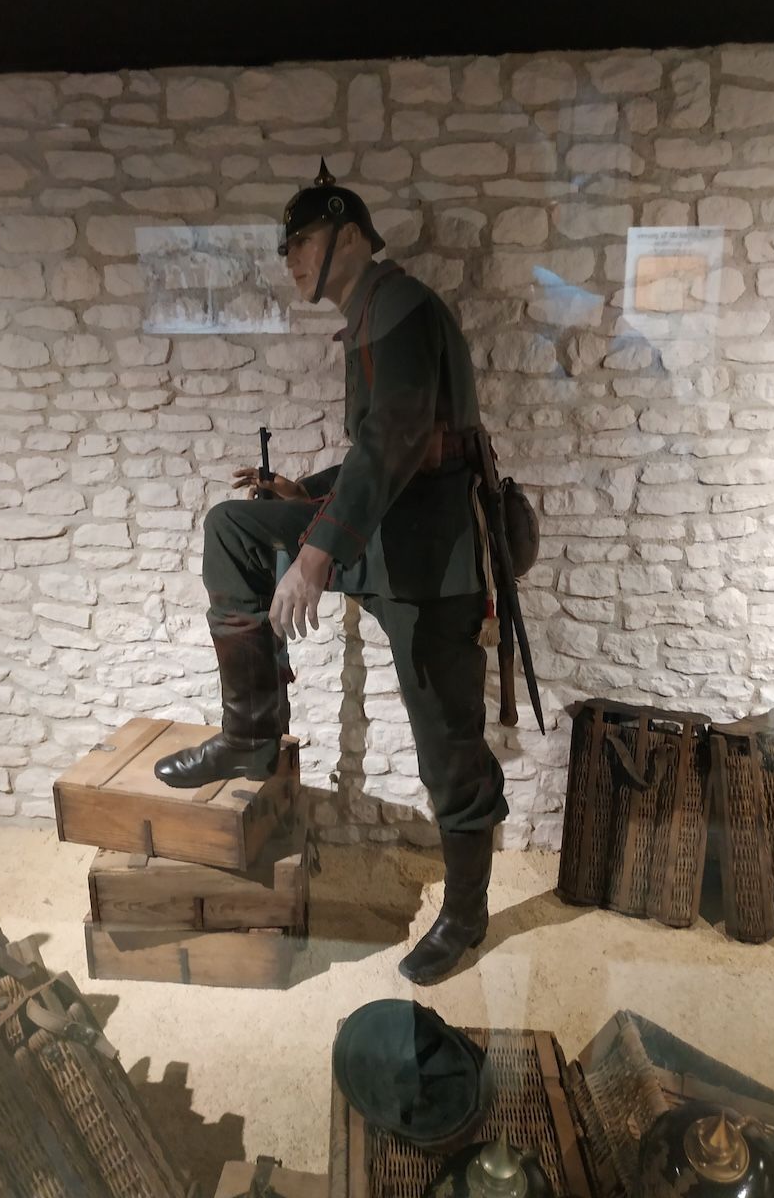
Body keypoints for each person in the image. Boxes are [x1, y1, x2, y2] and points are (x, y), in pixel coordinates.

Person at [153, 161, 509, 985]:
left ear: (349, 235)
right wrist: (304, 496)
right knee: (235, 528)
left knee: (447, 748)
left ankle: (466, 914)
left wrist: (315, 553)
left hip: (430, 560)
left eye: (303, 242)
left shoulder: (399, 304)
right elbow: (376, 452)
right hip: (381, 535)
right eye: (288, 249)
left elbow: (397, 441)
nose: (291, 260)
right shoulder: (373, 313)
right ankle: (250, 736)